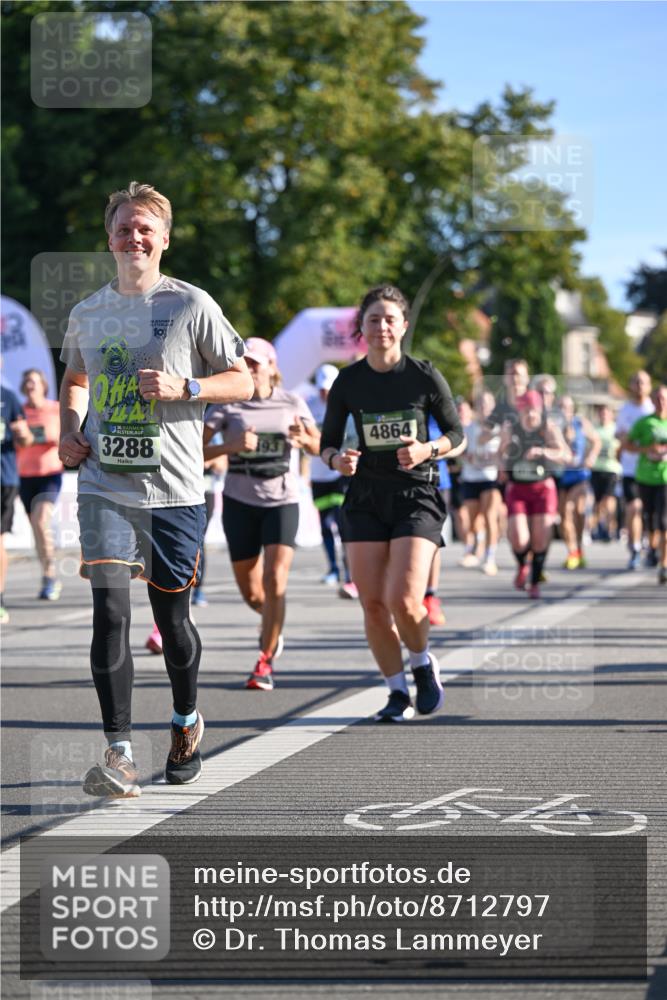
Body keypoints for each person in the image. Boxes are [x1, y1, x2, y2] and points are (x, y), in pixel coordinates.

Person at [59, 181, 253, 797]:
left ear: (164, 239)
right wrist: (69, 429)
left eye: (145, 228)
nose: (134, 237)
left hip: (174, 488)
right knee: (110, 610)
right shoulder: (88, 312)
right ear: (109, 237)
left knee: (172, 621)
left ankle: (186, 720)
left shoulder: (193, 305)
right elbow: (75, 377)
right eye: (124, 227)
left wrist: (186, 389)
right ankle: (118, 753)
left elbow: (244, 381)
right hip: (103, 485)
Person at [320, 285, 465, 723]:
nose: (381, 327)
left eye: (389, 319)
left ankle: (421, 661)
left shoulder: (423, 376)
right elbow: (326, 445)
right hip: (364, 497)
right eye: (373, 320)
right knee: (373, 604)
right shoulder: (349, 381)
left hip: (415, 496)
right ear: (361, 329)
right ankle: (396, 691)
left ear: (402, 325)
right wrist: (337, 460)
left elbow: (458, 437)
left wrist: (428, 450)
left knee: (404, 599)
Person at [204, 337, 320, 691]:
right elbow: (194, 452)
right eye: (244, 362)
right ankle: (272, 621)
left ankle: (264, 661)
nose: (250, 368)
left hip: (282, 501)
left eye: (256, 362)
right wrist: (231, 446)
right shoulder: (228, 406)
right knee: (253, 593)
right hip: (240, 502)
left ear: (272, 366)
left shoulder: (292, 402)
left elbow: (319, 446)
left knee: (275, 580)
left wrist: (305, 441)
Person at [499, 390, 570, 599]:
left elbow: (566, 455)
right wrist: (501, 465)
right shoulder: (511, 428)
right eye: (525, 410)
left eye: (533, 410)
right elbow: (499, 454)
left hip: (542, 488)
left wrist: (543, 452)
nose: (530, 414)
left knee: (540, 538)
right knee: (519, 539)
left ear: (540, 409)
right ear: (519, 410)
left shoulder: (548, 428)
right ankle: (523, 566)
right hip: (518, 488)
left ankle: (535, 580)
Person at [308, 363, 357, 598]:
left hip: (340, 473)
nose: (324, 393)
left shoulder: (346, 406)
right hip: (318, 475)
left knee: (343, 523)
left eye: (328, 389)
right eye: (321, 389)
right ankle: (333, 569)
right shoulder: (309, 407)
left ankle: (350, 575)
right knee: (326, 525)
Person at [16, 368, 64, 600]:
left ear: (43, 385)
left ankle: (50, 575)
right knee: (36, 528)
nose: (30, 385)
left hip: (49, 474)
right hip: (24, 476)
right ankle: (49, 574)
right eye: (27, 382)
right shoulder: (19, 411)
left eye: (34, 381)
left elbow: (59, 434)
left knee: (40, 518)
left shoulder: (54, 408)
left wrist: (32, 436)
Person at [626, 385, 667, 585]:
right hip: (645, 478)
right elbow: (627, 445)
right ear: (653, 401)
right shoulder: (643, 423)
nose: (661, 402)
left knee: (665, 523)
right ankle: (652, 548)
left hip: (665, 479)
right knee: (650, 520)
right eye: (658, 398)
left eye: (664, 398)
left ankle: (664, 565)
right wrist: (647, 449)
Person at [459, 390, 502, 576]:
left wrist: (497, 458)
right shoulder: (468, 428)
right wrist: (466, 455)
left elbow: (506, 450)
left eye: (487, 404)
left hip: (490, 478)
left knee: (490, 516)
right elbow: (459, 448)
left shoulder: (498, 429)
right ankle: (477, 546)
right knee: (473, 520)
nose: (484, 408)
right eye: (481, 404)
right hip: (471, 477)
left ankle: (490, 558)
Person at [1, 380, 33, 623]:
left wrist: (23, 435)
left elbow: (26, 440)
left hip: (3, 478)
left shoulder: (8, 398)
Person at [616, 371, 654, 570]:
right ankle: (635, 548)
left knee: (652, 513)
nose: (639, 386)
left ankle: (653, 548)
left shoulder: (654, 409)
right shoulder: (625, 410)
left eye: (643, 382)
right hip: (631, 468)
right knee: (634, 508)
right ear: (631, 385)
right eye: (636, 382)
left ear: (649, 386)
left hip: (653, 470)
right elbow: (620, 436)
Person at [557, 395, 600, 570]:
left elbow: (596, 440)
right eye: (560, 407)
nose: (564, 410)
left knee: (580, 511)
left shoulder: (580, 423)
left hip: (579, 475)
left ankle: (579, 548)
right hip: (561, 476)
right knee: (565, 514)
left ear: (572, 409)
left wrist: (591, 456)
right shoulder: (553, 425)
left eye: (567, 407)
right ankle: (572, 552)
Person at [591, 403, 621, 542]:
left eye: (606, 412)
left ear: (610, 414)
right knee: (597, 502)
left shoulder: (616, 429)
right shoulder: (594, 430)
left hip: (611, 469)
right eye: (601, 412)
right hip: (597, 468)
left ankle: (610, 528)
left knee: (608, 499)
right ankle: (599, 526)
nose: (603, 415)